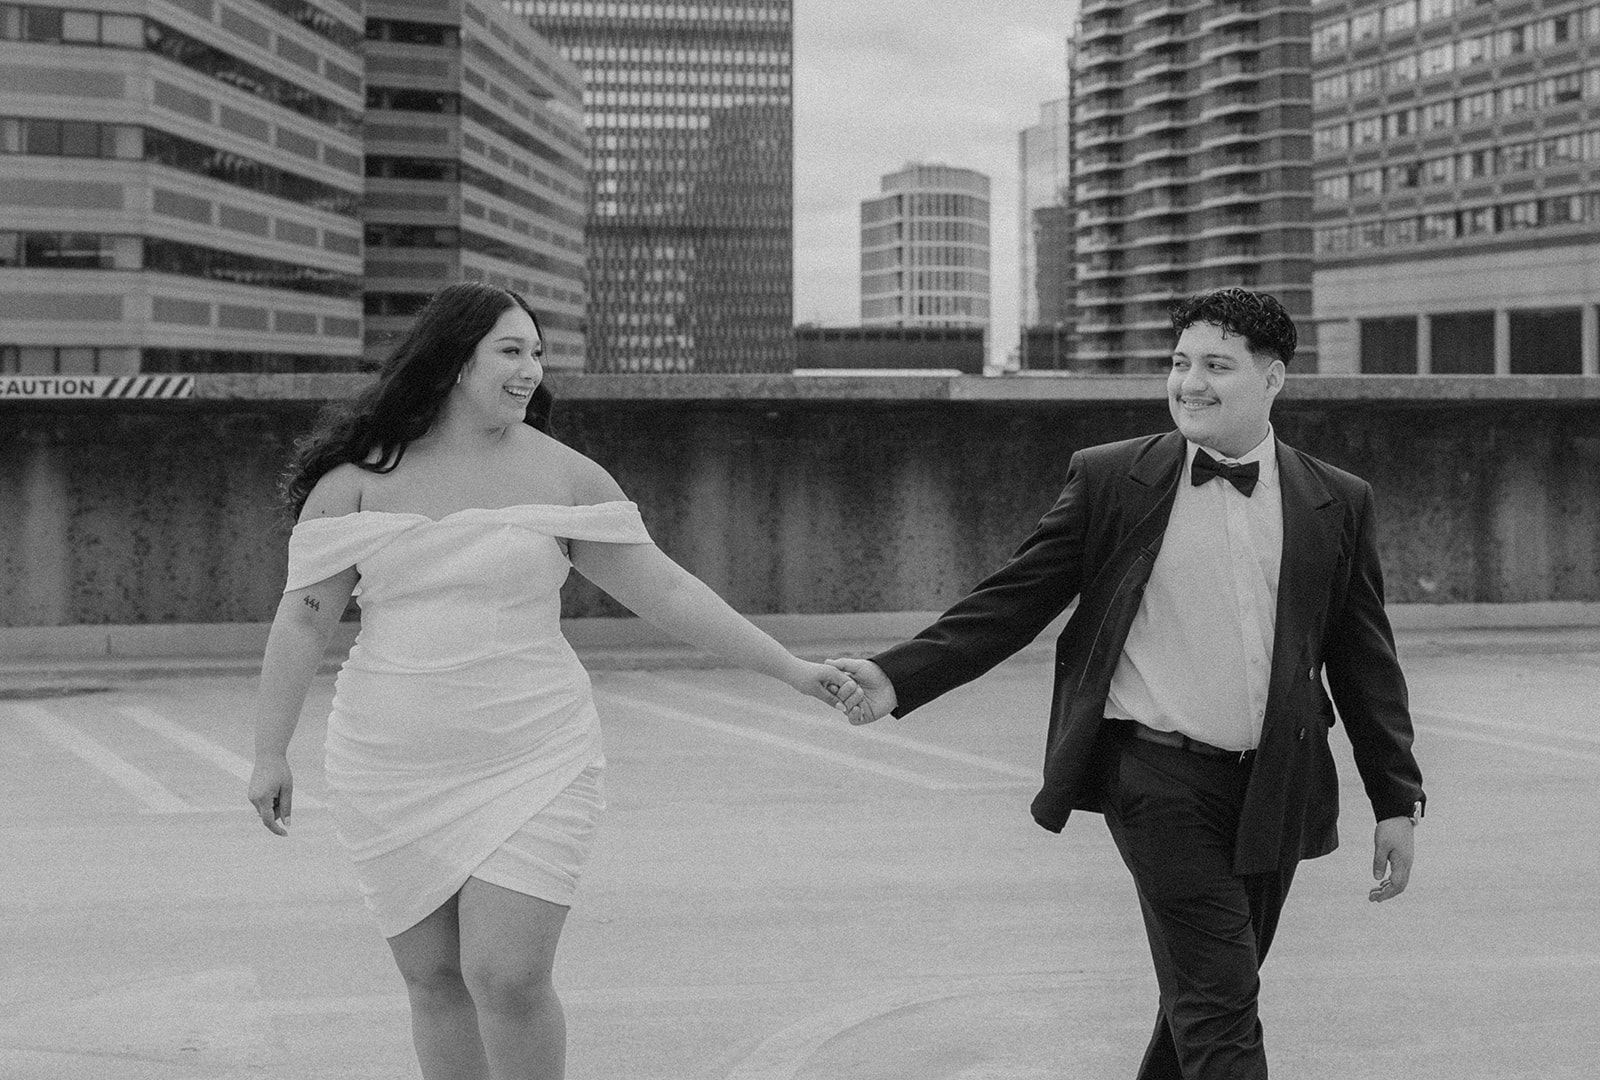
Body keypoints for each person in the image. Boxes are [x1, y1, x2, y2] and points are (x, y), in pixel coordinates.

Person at [247, 281, 862, 1080]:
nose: (531, 368)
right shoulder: (355, 480)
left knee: (507, 977)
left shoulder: (565, 475)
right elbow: (303, 619)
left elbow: (667, 590)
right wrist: (270, 752)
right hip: (389, 762)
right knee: (433, 980)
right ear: (452, 362)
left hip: (533, 755)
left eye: (536, 352)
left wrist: (793, 669)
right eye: (511, 350)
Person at [829, 287, 1425, 1080]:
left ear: (1274, 378)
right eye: (1181, 363)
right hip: (1155, 778)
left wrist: (1395, 797)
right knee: (1219, 1006)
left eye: (1218, 366)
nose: (1191, 383)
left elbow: (1363, 661)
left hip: (1276, 783)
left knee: (1202, 1008)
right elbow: (1013, 601)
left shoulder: (1336, 500)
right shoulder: (1114, 480)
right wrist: (894, 675)